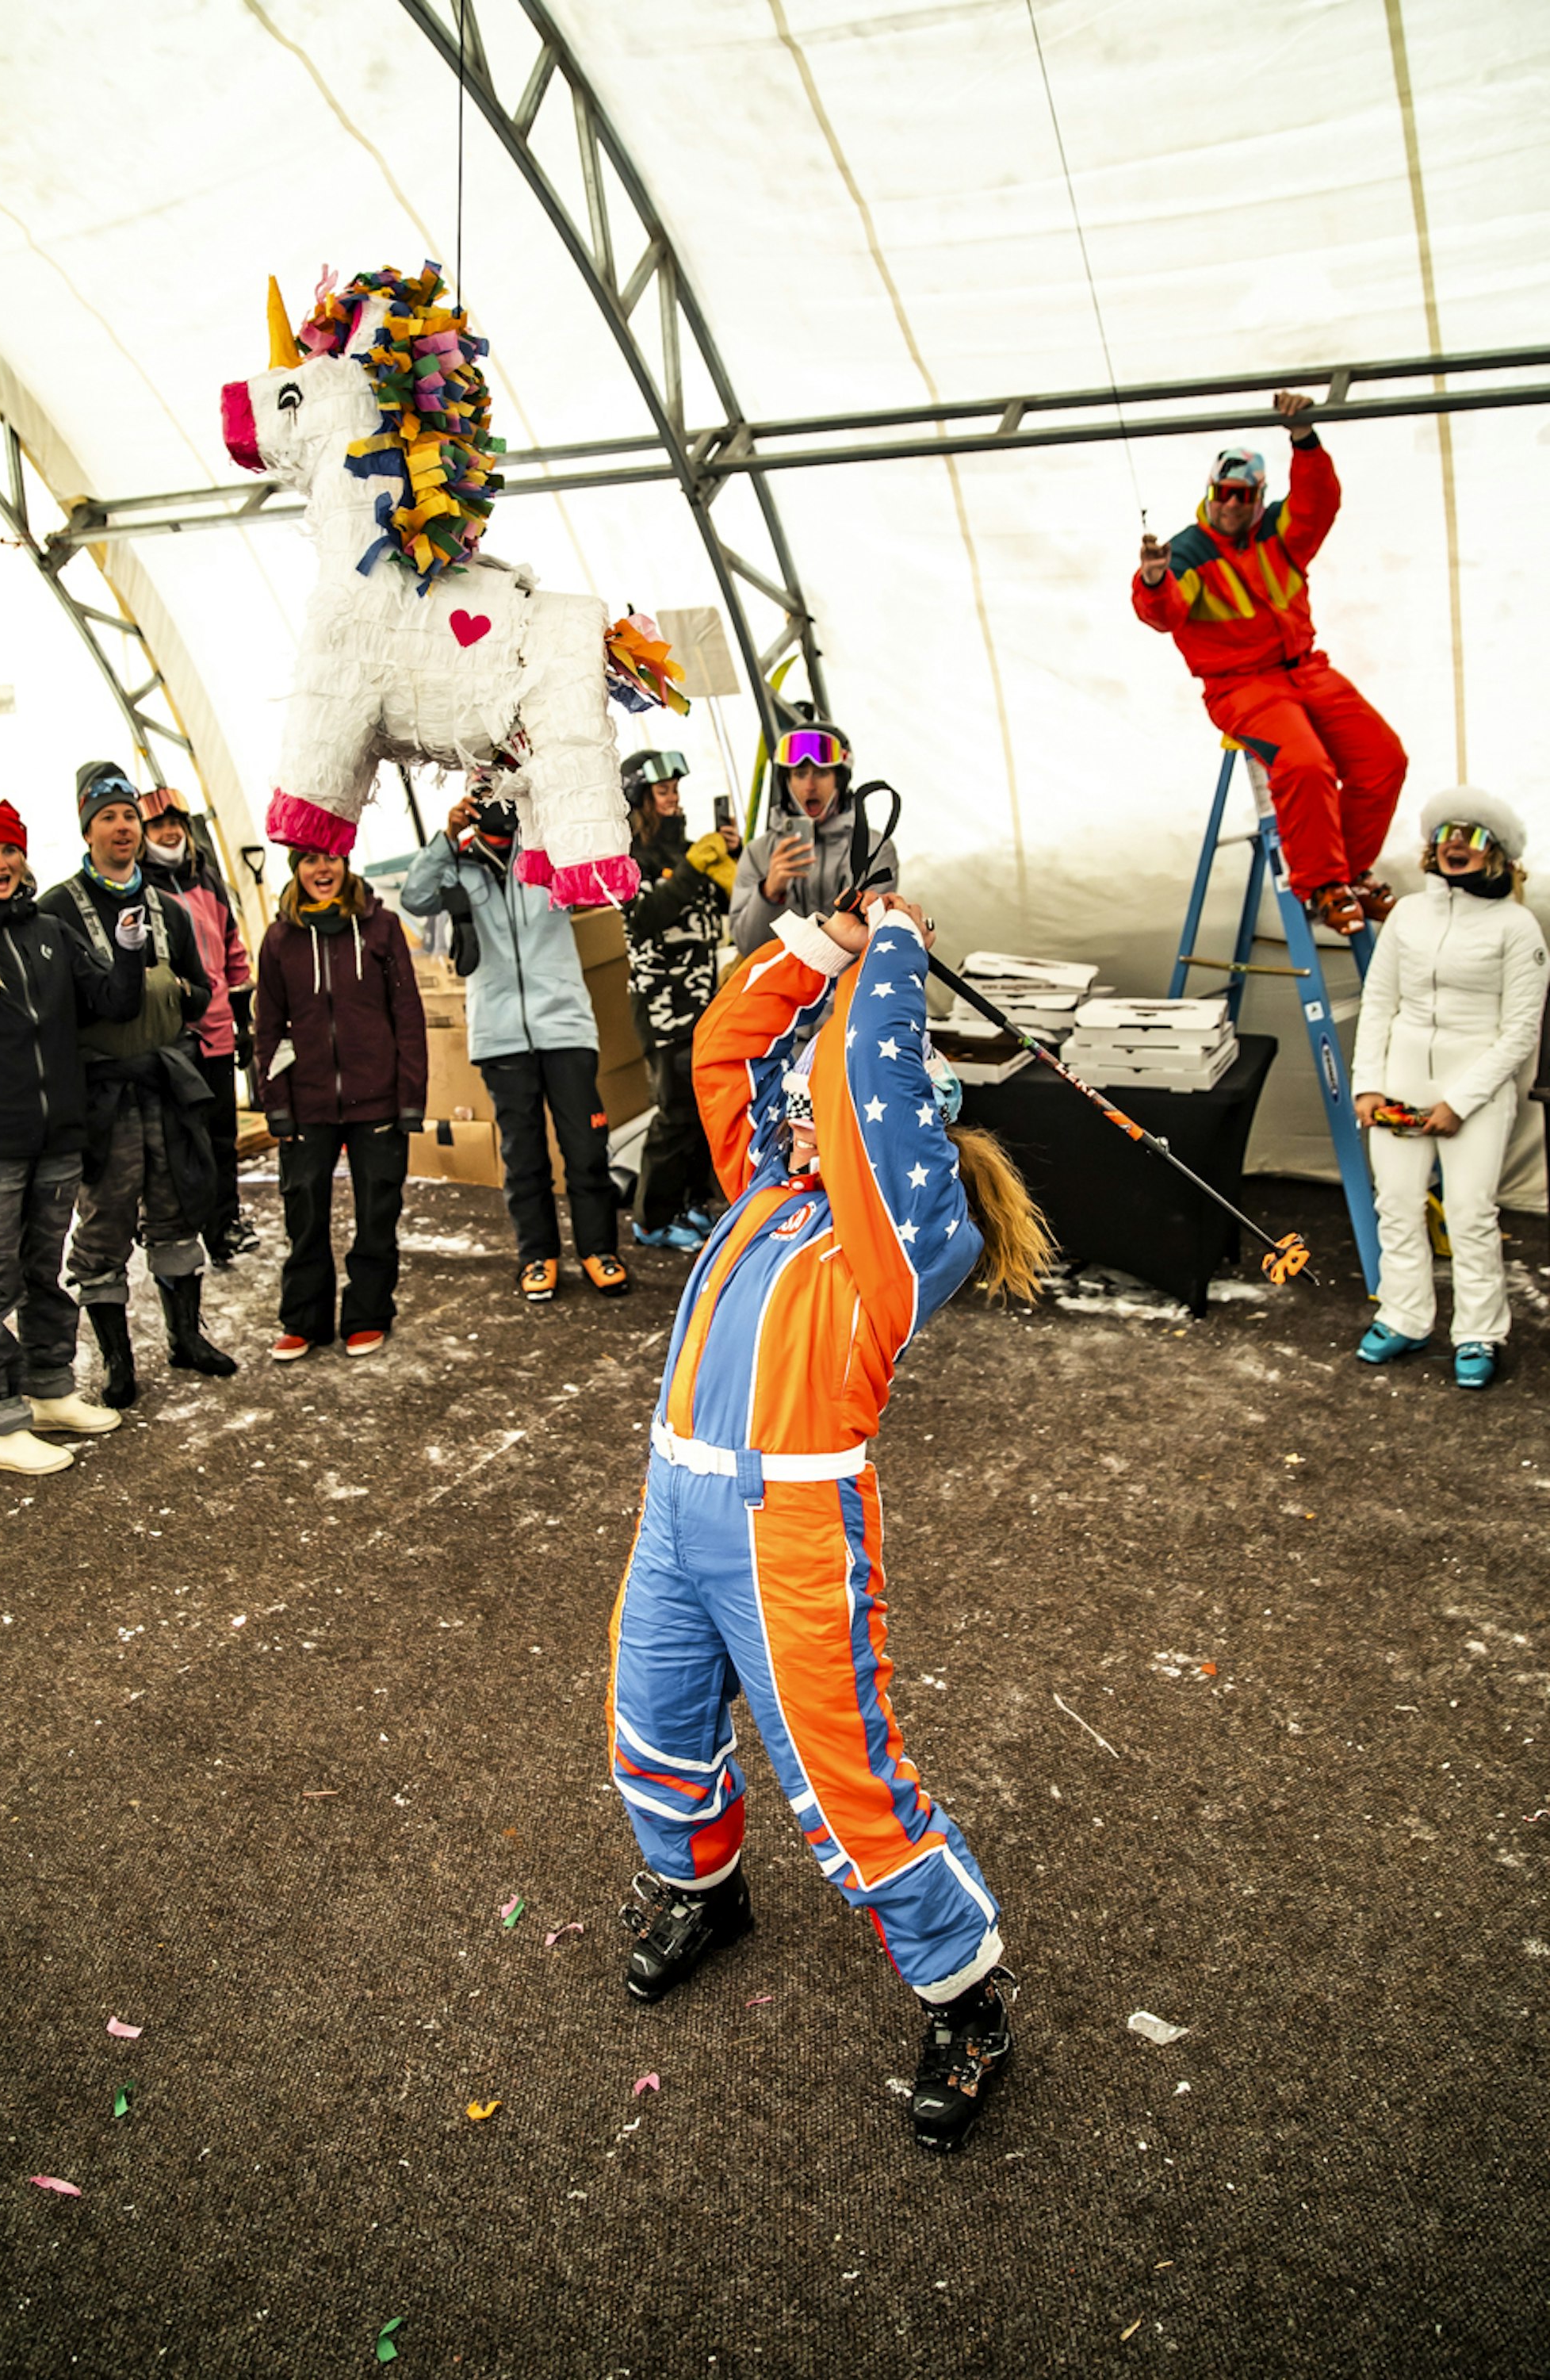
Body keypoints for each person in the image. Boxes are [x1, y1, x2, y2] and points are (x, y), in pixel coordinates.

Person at [608, 890, 1052, 2154]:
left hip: (792, 1530)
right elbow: (722, 1046)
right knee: (652, 1727)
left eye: (818, 1107)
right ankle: (704, 1891)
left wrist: (896, 948)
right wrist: (824, 947)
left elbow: (867, 1078)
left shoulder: (907, 1237)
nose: (796, 1111)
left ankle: (967, 1997)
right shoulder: (772, 1190)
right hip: (676, 1505)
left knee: (848, 1785)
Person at [1135, 391, 1407, 935]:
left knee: (1384, 760)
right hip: (1241, 688)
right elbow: (1163, 615)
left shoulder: (1281, 532)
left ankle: (1349, 874)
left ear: (1260, 497)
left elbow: (1318, 502)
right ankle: (1322, 887)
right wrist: (1153, 578)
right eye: (1223, 493)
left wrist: (1303, 437)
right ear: (1210, 493)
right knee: (1305, 765)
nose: (1231, 504)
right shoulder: (1187, 552)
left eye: (1243, 495)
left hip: (1307, 670)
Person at [0, 795, 147, 1475]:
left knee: (44, 1273)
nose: (0, 863)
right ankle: (0, 1421)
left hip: (57, 1137)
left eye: (8, 850)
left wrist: (129, 950)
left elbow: (112, 1001)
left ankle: (49, 1389)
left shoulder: (48, 930)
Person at [40, 761, 234, 1405]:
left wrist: (184, 991)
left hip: (165, 1081)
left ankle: (186, 1339)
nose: (122, 827)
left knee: (178, 1212)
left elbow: (204, 987)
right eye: (108, 817)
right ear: (86, 828)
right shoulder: (59, 910)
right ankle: (118, 1364)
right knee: (103, 1228)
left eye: (128, 815)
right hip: (105, 1094)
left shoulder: (170, 907)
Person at [400, 776, 629, 1305]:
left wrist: (547, 813)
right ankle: (537, 1255)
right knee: (522, 1153)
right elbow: (414, 896)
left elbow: (600, 875)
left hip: (565, 1025)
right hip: (500, 1034)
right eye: (486, 799)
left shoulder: (547, 855)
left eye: (506, 797)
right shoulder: (458, 865)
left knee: (585, 1146)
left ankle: (598, 1249)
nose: (497, 808)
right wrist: (446, 835)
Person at [1351, 793, 1548, 1389]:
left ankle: (1479, 1332)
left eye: (1471, 833)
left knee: (1469, 1212)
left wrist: (1460, 1103)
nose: (1454, 842)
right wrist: (1367, 1084)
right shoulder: (1409, 915)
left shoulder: (1518, 926)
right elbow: (1379, 1002)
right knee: (1397, 1202)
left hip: (1476, 1092)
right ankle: (1404, 1315)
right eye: (1444, 832)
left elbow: (1520, 1031)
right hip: (1401, 1081)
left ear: (1498, 851)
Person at [253, 848, 427, 1359]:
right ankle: (304, 1319)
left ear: (347, 863)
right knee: (304, 1212)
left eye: (329, 858)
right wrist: (276, 1101)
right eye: (308, 861)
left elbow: (408, 1015)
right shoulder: (279, 937)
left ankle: (368, 1314)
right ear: (295, 870)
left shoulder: (382, 928)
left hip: (378, 1100)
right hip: (307, 1103)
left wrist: (410, 1096)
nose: (320, 870)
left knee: (378, 1211)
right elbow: (269, 1028)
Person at [620, 748, 741, 1251]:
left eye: (675, 789)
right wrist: (692, 869)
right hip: (662, 1006)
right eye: (661, 791)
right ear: (639, 799)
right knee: (674, 1112)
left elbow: (721, 909)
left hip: (702, 1001)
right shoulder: (626, 859)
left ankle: (689, 1203)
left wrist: (733, 864)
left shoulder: (691, 849)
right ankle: (650, 1217)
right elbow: (645, 918)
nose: (672, 799)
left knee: (700, 1110)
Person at [138, 788, 257, 1264]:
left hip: (218, 1031)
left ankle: (224, 1223)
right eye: (158, 825)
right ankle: (186, 1224)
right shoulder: (142, 885)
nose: (169, 832)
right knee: (184, 1142)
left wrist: (243, 1022)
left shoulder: (208, 879)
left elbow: (233, 949)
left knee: (222, 1136)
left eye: (175, 823)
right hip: (174, 1039)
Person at [729, 724, 899, 957]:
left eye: (821, 773)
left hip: (848, 985)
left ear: (839, 779)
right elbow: (747, 947)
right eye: (799, 774)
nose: (810, 786)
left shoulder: (875, 848)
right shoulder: (757, 852)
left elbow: (875, 940)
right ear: (786, 782)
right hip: (781, 986)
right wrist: (769, 894)